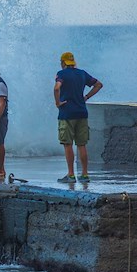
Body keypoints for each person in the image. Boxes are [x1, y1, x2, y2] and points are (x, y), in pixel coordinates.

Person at [54, 52, 103, 183]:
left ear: (63, 63)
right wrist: (86, 97)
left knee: (68, 144)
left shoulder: (61, 74)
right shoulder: (82, 73)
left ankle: (70, 175)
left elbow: (57, 88)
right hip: (82, 112)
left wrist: (57, 103)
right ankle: (85, 174)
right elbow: (98, 84)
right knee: (82, 144)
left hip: (67, 114)